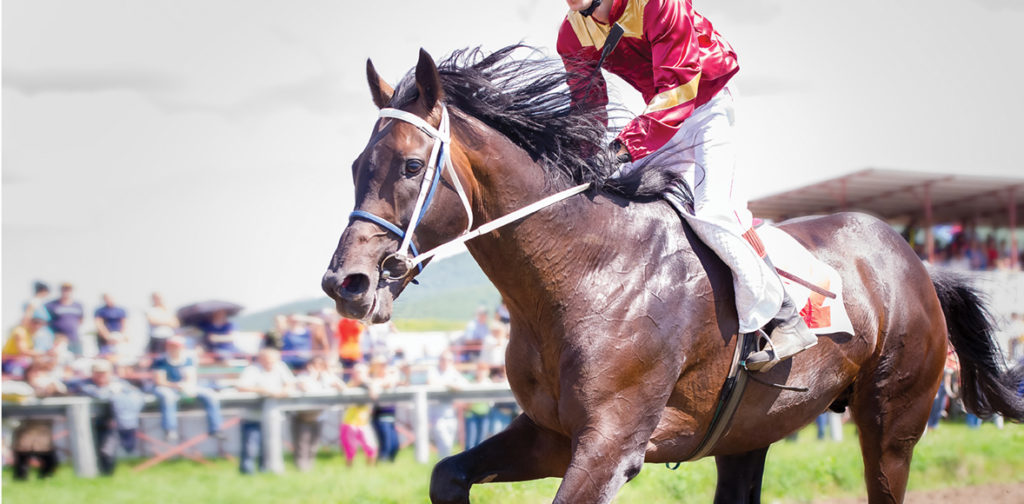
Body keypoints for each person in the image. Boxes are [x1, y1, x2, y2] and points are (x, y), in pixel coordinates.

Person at [556, 0, 815, 371]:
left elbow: (680, 87)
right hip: (659, 119)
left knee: (714, 209)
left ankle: (787, 318)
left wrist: (622, 148)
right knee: (610, 197)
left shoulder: (659, 3)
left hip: (706, 106)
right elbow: (588, 103)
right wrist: (582, 156)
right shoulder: (571, 34)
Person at [78, 359, 146, 475]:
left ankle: (106, 476)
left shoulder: (120, 384)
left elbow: (136, 394)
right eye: (98, 372)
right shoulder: (85, 384)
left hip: (109, 423)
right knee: (88, 451)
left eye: (104, 372)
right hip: (87, 423)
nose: (101, 375)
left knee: (107, 451)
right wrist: (111, 391)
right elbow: (99, 395)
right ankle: (91, 475)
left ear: (110, 373)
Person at [234, 347, 296, 474]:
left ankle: (265, 470)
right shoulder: (252, 370)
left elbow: (290, 383)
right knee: (250, 447)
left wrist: (283, 392)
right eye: (268, 361)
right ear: (261, 359)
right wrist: (264, 391)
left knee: (268, 447)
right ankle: (247, 472)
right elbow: (241, 387)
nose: (271, 364)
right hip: (252, 415)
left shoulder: (280, 367)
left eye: (273, 361)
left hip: (272, 416)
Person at [151, 336, 223, 442]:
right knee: (168, 397)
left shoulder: (187, 359)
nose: (174, 348)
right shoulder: (161, 360)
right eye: (172, 346)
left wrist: (186, 387)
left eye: (177, 346)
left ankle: (216, 428)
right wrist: (177, 386)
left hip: (183, 387)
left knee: (210, 395)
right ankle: (170, 429)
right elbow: (159, 381)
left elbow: (190, 378)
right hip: (167, 387)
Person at [10, 361, 66, 481]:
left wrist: (51, 388)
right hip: (25, 427)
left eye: (40, 372)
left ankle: (45, 480)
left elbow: (64, 397)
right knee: (23, 455)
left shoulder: (53, 386)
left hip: (43, 429)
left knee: (48, 458)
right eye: (34, 372)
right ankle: (21, 481)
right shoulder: (21, 387)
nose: (37, 375)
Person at [293, 355, 345, 471]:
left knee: (313, 444)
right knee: (302, 444)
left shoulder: (325, 379)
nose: (319, 368)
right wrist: (312, 376)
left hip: (319, 416)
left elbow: (342, 388)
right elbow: (307, 390)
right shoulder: (302, 377)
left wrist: (331, 374)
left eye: (321, 366)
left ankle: (309, 467)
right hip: (303, 416)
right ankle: (301, 468)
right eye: (316, 365)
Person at [427, 350, 468, 458]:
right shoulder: (433, 371)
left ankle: (443, 467)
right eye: (443, 359)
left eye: (448, 360)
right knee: (444, 443)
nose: (445, 362)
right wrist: (449, 385)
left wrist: (452, 387)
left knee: (449, 445)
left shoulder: (452, 372)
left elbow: (464, 385)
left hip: (451, 415)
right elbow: (431, 383)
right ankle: (442, 467)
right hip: (437, 415)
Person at [340, 363, 378, 466]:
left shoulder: (369, 384)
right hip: (349, 422)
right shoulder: (350, 384)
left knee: (371, 447)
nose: (357, 374)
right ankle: (349, 471)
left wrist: (369, 385)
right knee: (350, 450)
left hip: (363, 422)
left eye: (360, 372)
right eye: (355, 372)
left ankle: (370, 471)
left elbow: (374, 392)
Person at [367, 355, 400, 462]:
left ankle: (389, 466)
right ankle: (381, 465)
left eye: (385, 364)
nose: (384, 367)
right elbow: (373, 393)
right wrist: (381, 384)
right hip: (380, 416)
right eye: (381, 365)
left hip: (391, 416)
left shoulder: (390, 377)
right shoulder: (373, 380)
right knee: (386, 445)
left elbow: (394, 382)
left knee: (395, 445)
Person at [2, 312, 49, 377]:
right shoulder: (20, 331)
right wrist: (44, 353)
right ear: (30, 322)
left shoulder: (32, 335)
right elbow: (23, 351)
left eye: (40, 324)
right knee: (17, 375)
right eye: (35, 323)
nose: (37, 326)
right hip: (7, 360)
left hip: (17, 361)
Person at [45, 283, 85, 355]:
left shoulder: (78, 305)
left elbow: (81, 320)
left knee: (78, 360)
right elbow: (45, 322)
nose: (66, 291)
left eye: (68, 289)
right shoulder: (51, 305)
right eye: (64, 289)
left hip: (75, 338)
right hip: (58, 340)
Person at [21, 281, 55, 352]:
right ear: (43, 291)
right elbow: (27, 316)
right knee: (39, 351)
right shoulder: (34, 301)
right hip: (38, 331)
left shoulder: (37, 302)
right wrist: (24, 331)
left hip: (41, 331)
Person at [145, 292, 180, 357]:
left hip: (168, 336)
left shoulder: (168, 309)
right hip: (156, 337)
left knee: (168, 356)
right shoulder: (150, 309)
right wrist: (168, 322)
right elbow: (152, 321)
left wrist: (161, 322)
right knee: (156, 357)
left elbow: (176, 323)